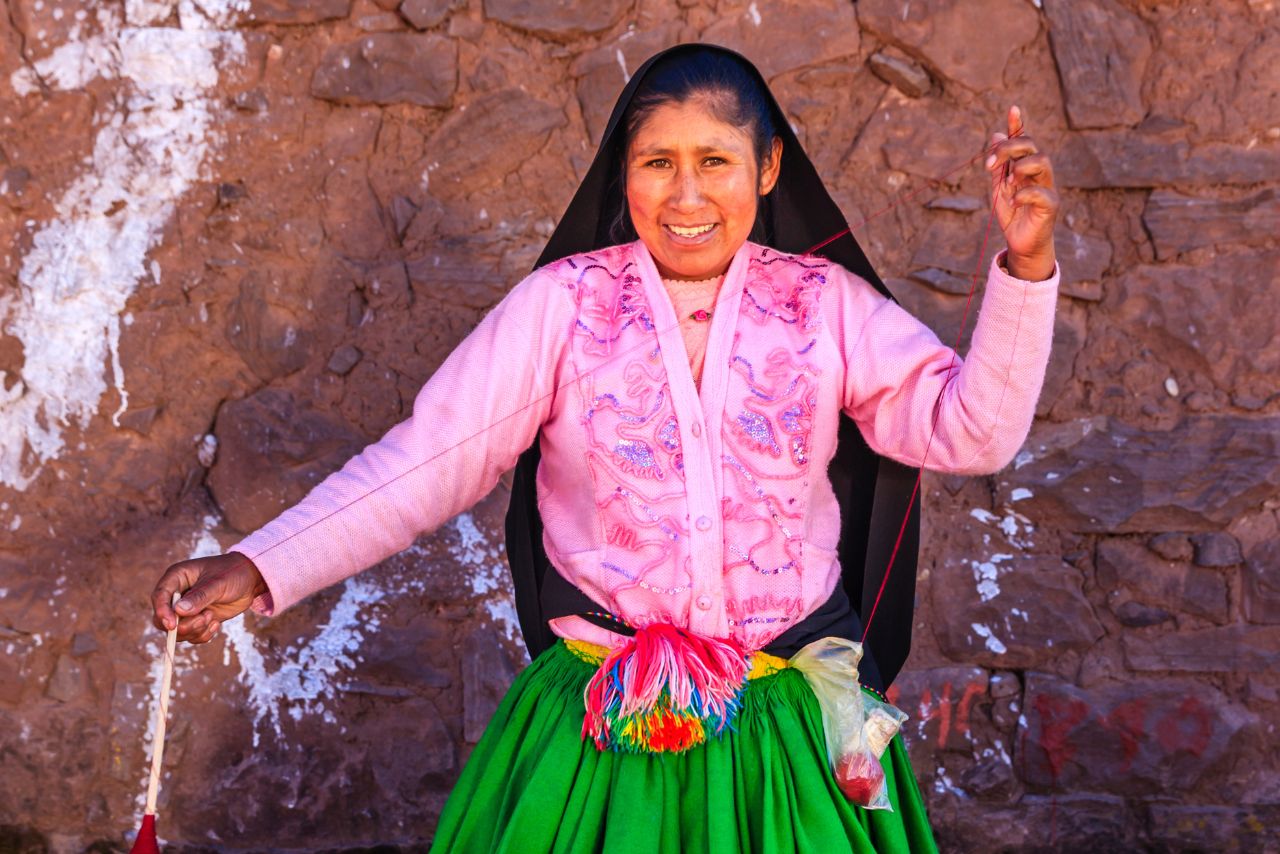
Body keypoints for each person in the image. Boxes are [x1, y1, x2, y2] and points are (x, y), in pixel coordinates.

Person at [152, 44, 1059, 852]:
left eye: (716, 161)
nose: (688, 194)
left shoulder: (824, 308)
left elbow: (971, 429)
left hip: (785, 738)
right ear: (622, 174)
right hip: (603, 732)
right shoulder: (564, 308)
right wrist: (258, 565)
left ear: (769, 165)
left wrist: (1023, 269)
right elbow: (427, 462)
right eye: (658, 162)